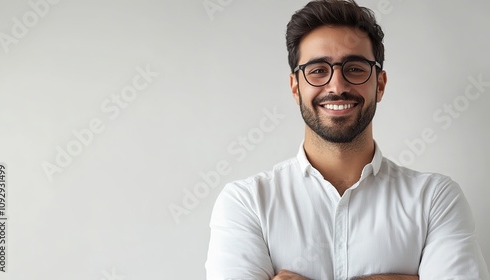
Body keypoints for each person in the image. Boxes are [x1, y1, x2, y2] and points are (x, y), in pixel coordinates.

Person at [205, 0, 490, 279]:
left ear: (379, 84)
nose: (337, 86)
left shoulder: (435, 200)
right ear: (295, 88)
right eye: (318, 70)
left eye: (354, 68)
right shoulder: (247, 203)